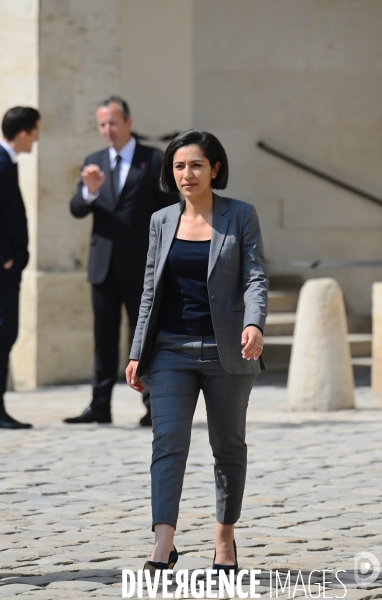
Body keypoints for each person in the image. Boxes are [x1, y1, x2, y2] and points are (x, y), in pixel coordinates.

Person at [125, 129, 268, 573]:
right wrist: (135, 352)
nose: (187, 174)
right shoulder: (161, 220)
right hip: (169, 350)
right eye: (179, 166)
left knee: (228, 446)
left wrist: (253, 322)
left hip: (229, 351)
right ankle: (162, 544)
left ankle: (224, 538)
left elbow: (256, 277)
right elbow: (149, 290)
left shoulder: (240, 216)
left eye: (196, 165)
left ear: (215, 169)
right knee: (168, 443)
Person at [64, 96, 178, 427]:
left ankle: (152, 406)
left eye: (113, 122)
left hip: (142, 265)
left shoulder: (153, 159)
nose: (107, 130)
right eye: (102, 124)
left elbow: (170, 209)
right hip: (103, 266)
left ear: (128, 122)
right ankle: (99, 405)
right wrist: (90, 191)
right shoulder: (94, 161)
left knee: (143, 337)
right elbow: (76, 208)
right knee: (104, 338)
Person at [0, 106, 40, 429]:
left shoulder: (6, 162)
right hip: (3, 268)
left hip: (8, 266)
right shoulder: (1, 163)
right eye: (36, 131)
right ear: (24, 132)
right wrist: (5, 256)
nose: (37, 138)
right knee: (3, 332)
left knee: (7, 333)